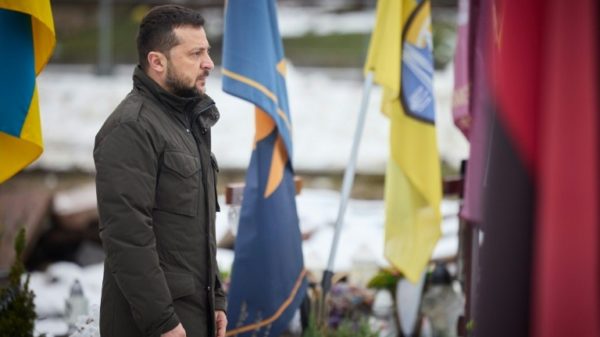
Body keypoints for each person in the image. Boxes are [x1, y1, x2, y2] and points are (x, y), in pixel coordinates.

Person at [94, 5, 226, 337]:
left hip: (195, 314)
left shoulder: (187, 122)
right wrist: (161, 322)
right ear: (157, 61)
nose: (208, 63)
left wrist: (218, 299)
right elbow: (127, 237)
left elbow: (195, 230)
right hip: (154, 325)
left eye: (207, 51)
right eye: (195, 53)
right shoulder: (132, 128)